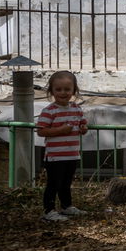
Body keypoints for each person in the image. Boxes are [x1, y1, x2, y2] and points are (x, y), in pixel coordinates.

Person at [35, 70, 88, 222]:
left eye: (67, 89)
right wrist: (60, 130)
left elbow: (82, 125)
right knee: (53, 183)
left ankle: (67, 206)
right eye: (58, 89)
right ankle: (49, 210)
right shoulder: (49, 111)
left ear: (74, 90)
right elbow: (41, 131)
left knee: (66, 182)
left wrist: (84, 129)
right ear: (51, 91)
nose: (63, 93)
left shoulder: (77, 109)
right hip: (55, 156)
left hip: (72, 153)